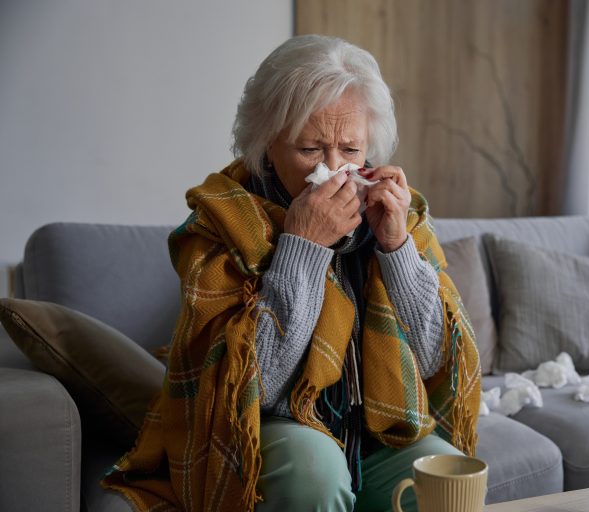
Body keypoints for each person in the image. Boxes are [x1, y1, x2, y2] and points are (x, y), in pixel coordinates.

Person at [103, 34, 480, 512]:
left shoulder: (397, 212)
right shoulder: (219, 225)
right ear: (266, 145)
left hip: (376, 432)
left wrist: (396, 248)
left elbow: (435, 363)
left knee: (446, 474)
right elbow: (253, 389)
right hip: (267, 428)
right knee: (314, 470)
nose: (335, 170)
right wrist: (302, 248)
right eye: (310, 149)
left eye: (351, 149)